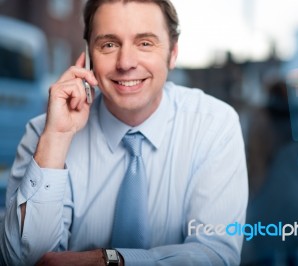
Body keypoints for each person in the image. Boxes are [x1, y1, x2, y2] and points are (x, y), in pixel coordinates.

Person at [0, 0, 248, 265]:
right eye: (109, 44)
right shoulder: (45, 133)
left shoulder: (214, 125)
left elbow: (216, 255)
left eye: (145, 43)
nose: (126, 62)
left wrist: (112, 260)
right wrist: (57, 139)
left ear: (173, 53)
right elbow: (21, 261)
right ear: (88, 57)